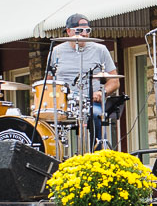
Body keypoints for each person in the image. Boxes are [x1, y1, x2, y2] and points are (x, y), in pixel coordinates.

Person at [51, 13, 119, 150]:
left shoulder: (100, 50)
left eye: (87, 30)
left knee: (96, 116)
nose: (84, 34)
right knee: (47, 122)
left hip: (91, 102)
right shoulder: (56, 51)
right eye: (79, 30)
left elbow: (115, 81)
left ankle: (97, 156)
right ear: (69, 31)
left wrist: (101, 92)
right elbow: (48, 82)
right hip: (63, 103)